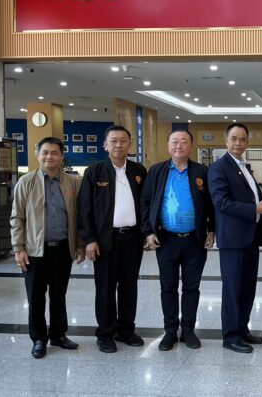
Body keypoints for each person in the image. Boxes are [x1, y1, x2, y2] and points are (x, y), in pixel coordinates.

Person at [141, 129, 215, 351]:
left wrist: (211, 230)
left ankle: (189, 330)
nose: (179, 146)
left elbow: (212, 204)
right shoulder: (156, 171)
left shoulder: (202, 171)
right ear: (168, 145)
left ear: (191, 146)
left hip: (195, 240)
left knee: (192, 287)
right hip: (166, 240)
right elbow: (145, 203)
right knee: (168, 287)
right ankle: (170, 331)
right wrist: (148, 231)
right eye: (174, 142)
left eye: (184, 142)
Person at [11, 136, 84, 359]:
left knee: (59, 295)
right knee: (35, 297)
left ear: (61, 156)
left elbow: (80, 216)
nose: (49, 157)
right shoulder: (26, 182)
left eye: (54, 153)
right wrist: (18, 248)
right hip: (34, 251)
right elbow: (17, 217)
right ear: (38, 154)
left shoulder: (73, 183)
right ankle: (39, 339)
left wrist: (80, 244)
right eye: (45, 152)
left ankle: (58, 335)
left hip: (62, 249)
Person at [78, 125, 147, 353]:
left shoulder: (138, 171)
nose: (119, 145)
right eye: (114, 141)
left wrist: (147, 233)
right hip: (104, 241)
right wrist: (89, 239)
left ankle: (125, 330)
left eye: (123, 141)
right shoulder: (94, 172)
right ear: (105, 145)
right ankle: (105, 333)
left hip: (132, 239)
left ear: (129, 144)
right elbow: (85, 209)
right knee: (105, 289)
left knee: (129, 287)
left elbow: (145, 205)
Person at [208, 123, 262, 353]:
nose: (238, 143)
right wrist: (254, 208)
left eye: (243, 139)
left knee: (247, 287)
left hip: (250, 238)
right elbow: (221, 202)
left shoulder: (244, 166)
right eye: (234, 138)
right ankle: (230, 336)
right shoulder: (218, 168)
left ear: (247, 143)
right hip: (233, 240)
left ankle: (242, 328)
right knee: (233, 288)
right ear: (226, 141)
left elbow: (249, 197)